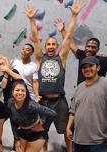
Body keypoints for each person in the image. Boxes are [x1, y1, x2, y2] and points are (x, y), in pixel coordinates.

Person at [24, 1, 83, 151]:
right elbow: (36, 39)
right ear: (45, 47)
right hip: (43, 101)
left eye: (53, 44)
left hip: (60, 102)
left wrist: (74, 16)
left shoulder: (61, 58)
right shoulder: (40, 58)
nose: (50, 46)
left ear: (57, 47)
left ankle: (70, 150)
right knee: (40, 130)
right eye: (48, 44)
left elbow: (68, 37)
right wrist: (31, 20)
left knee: (66, 131)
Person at [66, 56, 107, 152]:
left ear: (98, 68)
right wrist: (68, 127)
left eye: (91, 66)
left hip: (98, 142)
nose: (87, 69)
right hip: (78, 141)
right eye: (84, 67)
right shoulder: (79, 87)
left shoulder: (105, 84)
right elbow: (73, 111)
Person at [7, 79, 57, 152]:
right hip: (22, 132)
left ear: (26, 93)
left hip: (37, 134)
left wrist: (43, 126)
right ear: (12, 92)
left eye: (23, 90)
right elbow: (12, 121)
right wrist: (16, 138)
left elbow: (53, 113)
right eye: (17, 90)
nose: (20, 93)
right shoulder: (10, 103)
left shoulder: (31, 105)